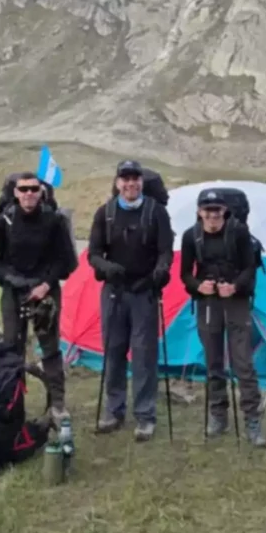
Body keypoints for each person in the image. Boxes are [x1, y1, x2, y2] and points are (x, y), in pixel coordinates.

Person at [86, 160, 174, 442]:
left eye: (135, 179)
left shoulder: (156, 212)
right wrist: (107, 267)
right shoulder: (105, 213)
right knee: (113, 351)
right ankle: (114, 411)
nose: (130, 184)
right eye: (125, 179)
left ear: (141, 182)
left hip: (144, 292)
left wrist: (160, 272)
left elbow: (165, 250)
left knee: (144, 354)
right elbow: (93, 253)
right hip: (114, 291)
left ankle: (145, 416)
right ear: (118, 183)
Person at [0, 171, 75, 423]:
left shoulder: (54, 221)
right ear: (15, 192)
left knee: (50, 348)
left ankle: (57, 404)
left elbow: (67, 260)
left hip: (45, 292)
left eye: (34, 189)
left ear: (41, 192)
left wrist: (46, 284)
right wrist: (9, 278)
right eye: (23, 189)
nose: (28, 194)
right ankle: (12, 401)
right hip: (14, 291)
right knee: (12, 347)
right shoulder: (5, 221)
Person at [180, 189, 266, 447]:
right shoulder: (190, 236)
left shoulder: (238, 233)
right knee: (213, 361)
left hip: (236, 301)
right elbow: (185, 274)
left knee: (243, 362)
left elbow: (249, 268)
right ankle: (218, 415)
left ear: (224, 211)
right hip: (208, 302)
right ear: (199, 212)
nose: (212, 216)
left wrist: (235, 286)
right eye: (207, 210)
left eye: (217, 210)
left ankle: (252, 419)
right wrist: (198, 286)